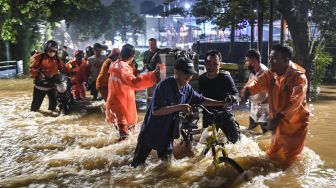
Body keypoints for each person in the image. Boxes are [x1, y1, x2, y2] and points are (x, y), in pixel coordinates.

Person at [131, 57, 228, 168]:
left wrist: (221, 103)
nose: (189, 76)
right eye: (186, 73)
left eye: (191, 73)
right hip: (151, 132)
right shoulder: (163, 86)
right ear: (176, 71)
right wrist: (180, 107)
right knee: (136, 166)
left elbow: (202, 100)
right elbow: (156, 111)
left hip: (167, 135)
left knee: (167, 168)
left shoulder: (187, 89)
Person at [241, 44, 309, 163]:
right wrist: (247, 90)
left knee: (290, 160)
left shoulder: (299, 77)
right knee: (272, 154)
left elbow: (294, 101)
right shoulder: (270, 73)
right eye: (270, 57)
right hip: (278, 122)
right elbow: (257, 82)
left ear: (286, 60)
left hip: (295, 126)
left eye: (275, 58)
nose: (271, 61)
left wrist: (277, 117)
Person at [105, 44, 158, 140]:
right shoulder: (123, 68)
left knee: (123, 132)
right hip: (120, 105)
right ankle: (122, 153)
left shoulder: (115, 64)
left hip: (115, 102)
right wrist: (152, 76)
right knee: (124, 135)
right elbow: (134, 83)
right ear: (132, 56)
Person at [198, 50, 240, 144]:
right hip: (208, 116)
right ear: (204, 64)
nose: (211, 67)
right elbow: (196, 97)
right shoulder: (201, 79)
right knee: (206, 145)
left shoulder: (226, 78)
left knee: (235, 142)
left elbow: (236, 94)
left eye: (215, 64)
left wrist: (233, 98)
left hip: (225, 114)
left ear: (220, 65)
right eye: (208, 63)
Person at [29, 40, 69, 112]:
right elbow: (32, 69)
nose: (52, 52)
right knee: (34, 109)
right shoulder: (39, 57)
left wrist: (70, 73)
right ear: (46, 49)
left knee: (53, 107)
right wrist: (38, 74)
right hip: (39, 87)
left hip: (51, 87)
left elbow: (63, 69)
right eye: (50, 49)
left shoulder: (57, 59)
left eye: (54, 50)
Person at [244, 49, 269, 133]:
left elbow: (273, 91)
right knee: (251, 129)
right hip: (254, 105)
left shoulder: (265, 73)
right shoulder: (253, 72)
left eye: (248, 61)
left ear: (254, 61)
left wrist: (265, 102)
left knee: (266, 134)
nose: (246, 63)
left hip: (264, 107)